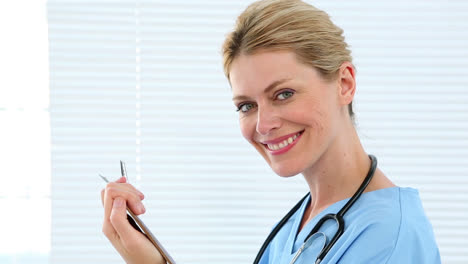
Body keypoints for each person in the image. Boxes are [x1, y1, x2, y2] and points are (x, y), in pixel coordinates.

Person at [100, 0, 441, 263]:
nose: (263, 125)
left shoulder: (389, 238)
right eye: (246, 105)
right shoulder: (306, 220)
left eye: (284, 94)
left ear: (344, 84)